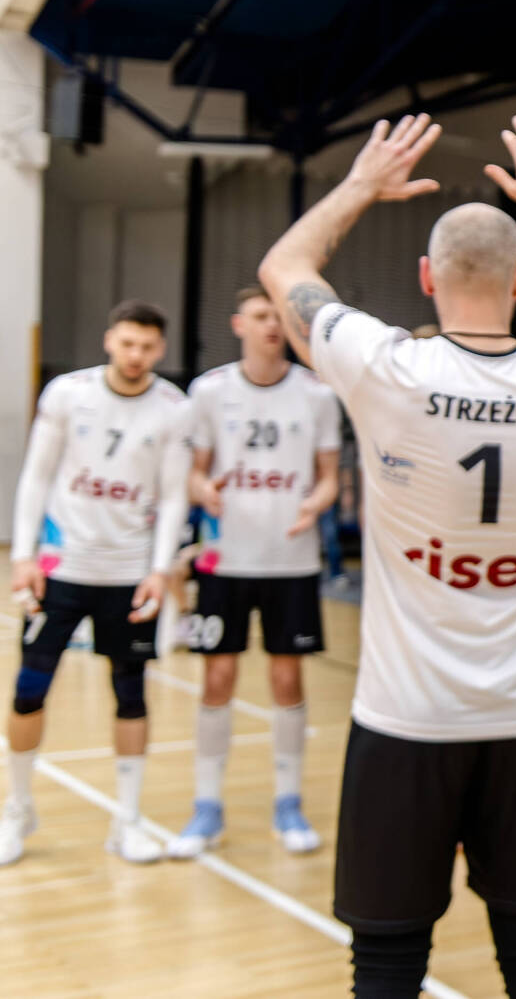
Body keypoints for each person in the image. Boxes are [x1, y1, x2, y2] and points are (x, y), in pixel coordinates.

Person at [256, 112, 516, 998]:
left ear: (427, 277)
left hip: (404, 721)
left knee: (387, 964)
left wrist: (362, 185)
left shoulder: (385, 366)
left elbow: (285, 267)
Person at [3, 301, 192, 866]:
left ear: (160, 350)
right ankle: (17, 810)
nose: (136, 355)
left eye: (147, 347)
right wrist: (24, 555)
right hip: (62, 569)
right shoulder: (67, 393)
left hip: (128, 574)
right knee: (28, 691)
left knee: (130, 694)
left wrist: (159, 569)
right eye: (127, 343)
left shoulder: (174, 408)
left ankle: (126, 822)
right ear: (110, 340)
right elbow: (36, 476)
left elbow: (175, 495)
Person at [164, 287, 341, 859]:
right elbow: (194, 472)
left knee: (287, 679)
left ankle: (288, 803)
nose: (271, 326)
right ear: (239, 323)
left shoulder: (317, 394)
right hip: (225, 559)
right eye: (261, 316)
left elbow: (329, 476)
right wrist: (203, 491)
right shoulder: (210, 391)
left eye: (280, 317)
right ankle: (206, 807)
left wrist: (315, 504)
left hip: (291, 560)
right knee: (217, 678)